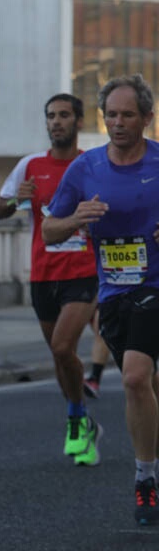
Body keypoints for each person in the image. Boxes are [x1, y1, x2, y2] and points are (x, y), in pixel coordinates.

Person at [43, 73, 159, 526]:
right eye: (111, 114)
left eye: (127, 114)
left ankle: (144, 477)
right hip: (112, 290)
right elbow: (50, 229)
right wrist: (75, 218)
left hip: (155, 285)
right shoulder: (86, 167)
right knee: (147, 384)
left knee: (133, 376)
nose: (118, 122)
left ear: (147, 118)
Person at [0, 94, 102, 465]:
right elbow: (0, 209)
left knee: (61, 347)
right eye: (51, 116)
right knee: (60, 359)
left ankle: (75, 417)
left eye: (64, 115)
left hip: (85, 270)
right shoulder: (30, 165)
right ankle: (83, 418)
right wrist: (14, 200)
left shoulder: (92, 165)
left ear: (79, 121)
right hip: (42, 274)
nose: (56, 122)